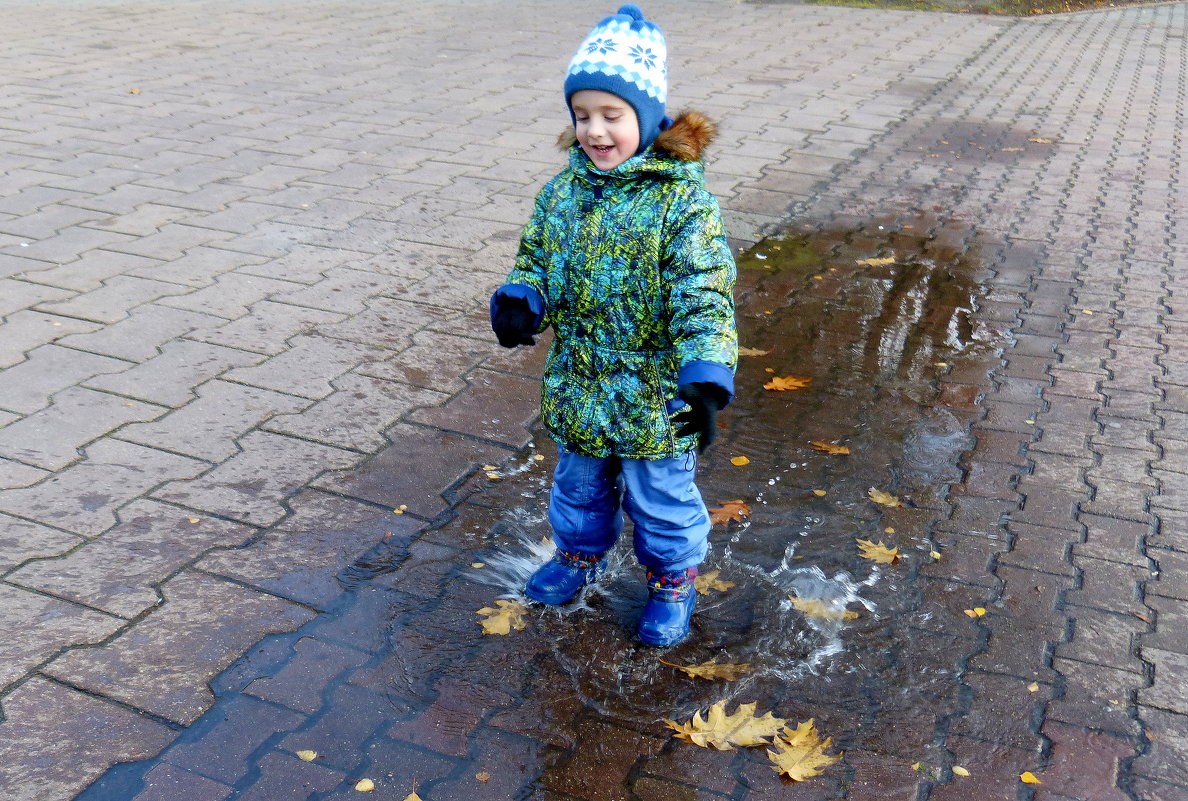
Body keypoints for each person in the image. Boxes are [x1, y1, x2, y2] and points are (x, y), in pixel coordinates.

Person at [489, 4, 737, 647]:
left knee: (660, 498)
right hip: (581, 377)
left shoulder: (682, 201)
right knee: (578, 485)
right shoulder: (560, 193)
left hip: (656, 389)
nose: (596, 131)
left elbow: (704, 290)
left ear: (649, 118)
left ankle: (672, 581)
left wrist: (705, 374)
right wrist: (525, 298)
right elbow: (537, 257)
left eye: (612, 115)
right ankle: (577, 556)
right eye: (583, 115)